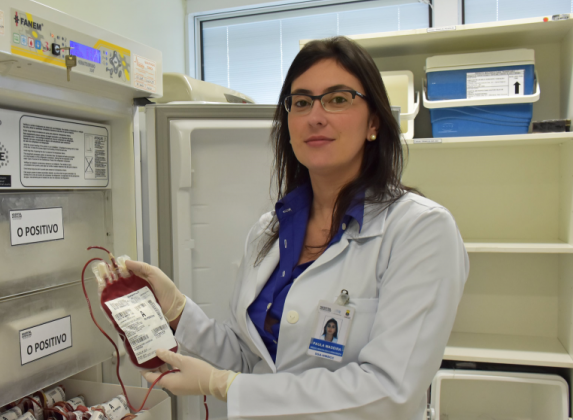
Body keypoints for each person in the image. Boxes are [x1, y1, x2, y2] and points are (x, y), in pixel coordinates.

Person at [125, 36, 468, 419]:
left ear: (374, 122)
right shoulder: (269, 231)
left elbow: (389, 391)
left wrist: (225, 386)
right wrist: (177, 312)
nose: (315, 116)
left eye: (338, 99)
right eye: (301, 102)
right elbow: (250, 355)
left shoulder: (420, 230)